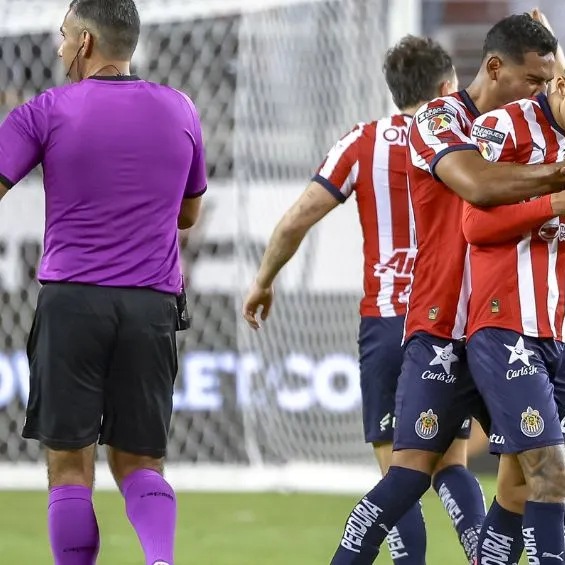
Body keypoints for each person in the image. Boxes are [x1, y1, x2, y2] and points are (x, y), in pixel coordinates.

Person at [328, 13, 565, 565]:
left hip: (506, 324)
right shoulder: (439, 118)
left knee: (533, 479)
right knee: (410, 477)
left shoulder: (531, 128)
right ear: (495, 67)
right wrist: (560, 177)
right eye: (532, 81)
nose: (539, 94)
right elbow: (477, 185)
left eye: (548, 83)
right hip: (443, 321)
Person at [241, 36, 486, 565]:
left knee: (397, 474)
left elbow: (297, 218)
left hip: (385, 319)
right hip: (446, 318)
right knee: (450, 467)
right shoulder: (465, 136)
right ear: (447, 88)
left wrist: (264, 279)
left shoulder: (362, 142)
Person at [0, 1, 206, 564]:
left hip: (73, 303)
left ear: (86, 42)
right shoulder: (182, 110)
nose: (60, 47)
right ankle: (161, 561)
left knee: (69, 467)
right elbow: (187, 214)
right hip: (152, 307)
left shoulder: (46, 110)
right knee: (141, 463)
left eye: (64, 36)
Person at [463, 40, 565, 565]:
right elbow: (474, 224)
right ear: (561, 84)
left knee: (517, 486)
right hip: (505, 327)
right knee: (553, 476)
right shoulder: (503, 128)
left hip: (564, 332)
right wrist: (554, 200)